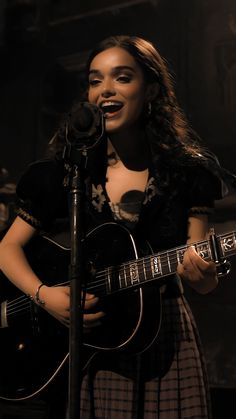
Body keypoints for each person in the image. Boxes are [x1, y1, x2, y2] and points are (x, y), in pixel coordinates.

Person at [0, 35, 235, 419]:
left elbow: (202, 277)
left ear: (152, 90)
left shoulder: (185, 172)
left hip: (165, 339)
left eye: (122, 77)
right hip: (95, 350)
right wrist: (45, 296)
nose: (105, 90)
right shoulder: (68, 170)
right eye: (95, 80)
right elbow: (6, 249)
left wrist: (205, 274)